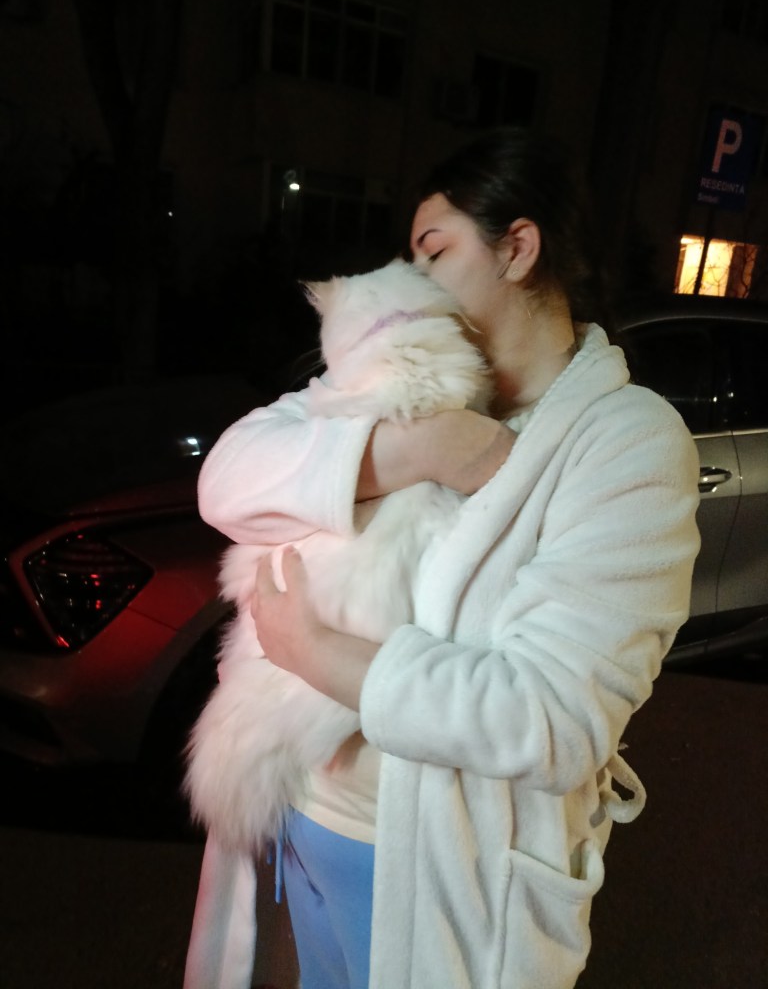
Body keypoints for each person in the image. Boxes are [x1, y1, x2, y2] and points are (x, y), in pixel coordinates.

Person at [183, 127, 701, 989]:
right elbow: (228, 478)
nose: (411, 281)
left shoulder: (624, 442)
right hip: (298, 817)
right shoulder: (400, 379)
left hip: (422, 867)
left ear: (518, 248)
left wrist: (313, 651)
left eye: (434, 252)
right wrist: (417, 450)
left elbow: (550, 717)